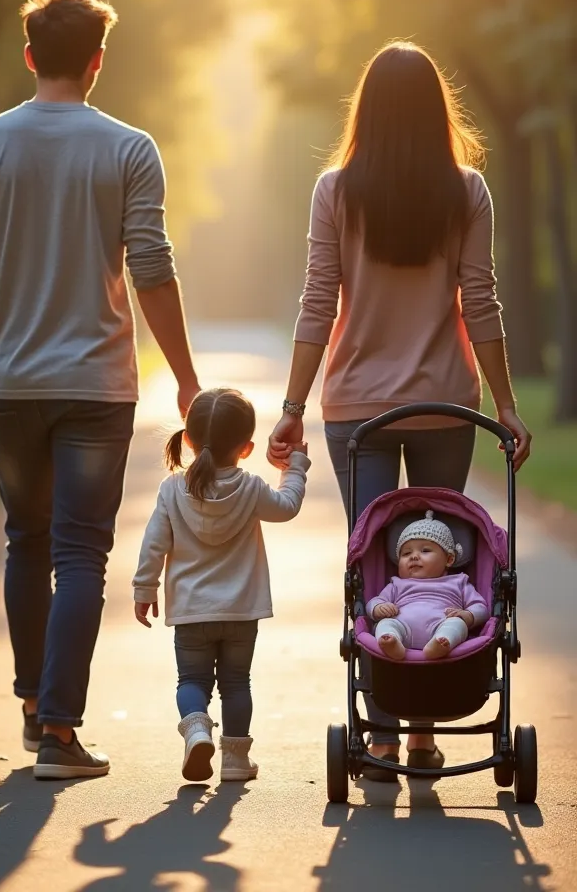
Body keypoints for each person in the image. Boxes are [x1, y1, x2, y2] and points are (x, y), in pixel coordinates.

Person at [0, 0, 200, 781]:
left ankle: (33, 706)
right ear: (96, 64)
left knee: (29, 539)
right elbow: (151, 267)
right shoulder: (129, 147)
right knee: (81, 550)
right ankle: (58, 730)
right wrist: (186, 379)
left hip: (12, 383)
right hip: (96, 386)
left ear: (28, 57)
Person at [268, 41, 531, 780]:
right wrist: (506, 405)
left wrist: (291, 406)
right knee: (438, 562)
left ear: (368, 112)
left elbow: (319, 301)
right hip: (448, 405)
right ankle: (423, 729)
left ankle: (380, 738)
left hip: (357, 407)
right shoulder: (467, 191)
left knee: (380, 563)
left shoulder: (335, 191)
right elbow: (480, 302)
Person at [132, 388, 310, 783]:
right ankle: (235, 761)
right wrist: (295, 466)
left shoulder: (172, 489)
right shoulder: (251, 488)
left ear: (189, 439)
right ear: (245, 449)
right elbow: (287, 506)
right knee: (236, 683)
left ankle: (196, 729)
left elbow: (153, 544)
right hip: (241, 611)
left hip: (191, 611)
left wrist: (144, 588)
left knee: (191, 681)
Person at [367, 510, 488, 663]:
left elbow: (481, 607)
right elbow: (374, 601)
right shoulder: (397, 584)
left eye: (425, 551)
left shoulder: (459, 582)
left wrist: (469, 616)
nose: (414, 556)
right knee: (385, 624)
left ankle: (442, 642)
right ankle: (392, 642)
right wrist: (379, 608)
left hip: (442, 623)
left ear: (449, 559)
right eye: (406, 554)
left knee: (457, 624)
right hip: (401, 625)